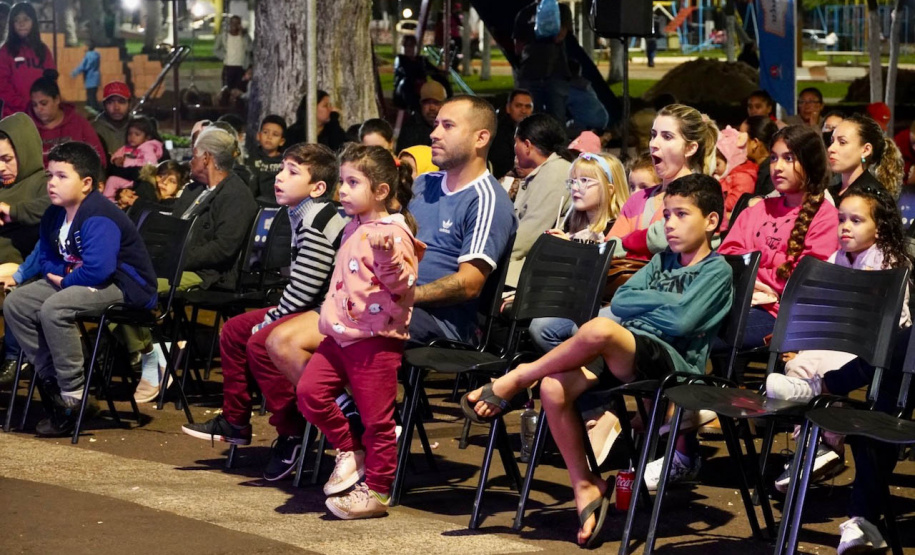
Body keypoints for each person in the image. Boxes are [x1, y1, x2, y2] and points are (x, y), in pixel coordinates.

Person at [462, 174, 733, 547]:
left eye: (681, 214)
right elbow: (623, 300)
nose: (669, 223)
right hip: (629, 352)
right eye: (666, 214)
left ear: (712, 221)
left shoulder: (715, 271)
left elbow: (683, 321)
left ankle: (519, 375)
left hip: (673, 367)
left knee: (600, 329)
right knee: (554, 387)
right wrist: (663, 304)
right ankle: (586, 485)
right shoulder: (660, 262)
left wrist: (655, 306)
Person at [265, 96, 516, 382]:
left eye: (447, 126)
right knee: (278, 341)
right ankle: (352, 419)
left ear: (480, 138)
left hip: (437, 320)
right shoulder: (424, 184)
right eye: (435, 125)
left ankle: (360, 422)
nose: (434, 134)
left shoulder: (486, 200)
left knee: (287, 342)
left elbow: (470, 284)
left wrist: (403, 296)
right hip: (380, 299)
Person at [181, 143, 347, 481]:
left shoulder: (316, 218)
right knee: (235, 329)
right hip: (312, 305)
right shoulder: (299, 212)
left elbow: (305, 291)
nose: (280, 178)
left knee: (259, 342)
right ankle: (236, 422)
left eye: (292, 172)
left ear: (317, 188)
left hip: (328, 310)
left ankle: (292, 432)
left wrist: (270, 322)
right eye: (282, 168)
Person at [297, 143, 424, 520]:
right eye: (342, 181)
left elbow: (404, 284)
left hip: (374, 343)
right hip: (339, 337)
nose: (343, 190)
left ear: (381, 191)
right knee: (309, 393)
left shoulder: (392, 234)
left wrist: (386, 258)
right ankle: (351, 449)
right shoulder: (355, 224)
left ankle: (379, 492)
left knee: (377, 421)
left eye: (353, 182)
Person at [3, 142, 157, 437]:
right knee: (18, 303)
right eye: (50, 176)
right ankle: (53, 384)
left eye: (62, 176)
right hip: (80, 280)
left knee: (55, 308)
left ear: (86, 183)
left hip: (124, 286)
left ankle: (74, 397)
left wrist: (65, 281)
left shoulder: (99, 214)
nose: (52, 184)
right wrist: (63, 276)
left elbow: (100, 269)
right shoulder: (54, 213)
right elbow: (47, 257)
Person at [766, 183, 912, 491]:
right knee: (798, 367)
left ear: (880, 228)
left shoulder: (885, 260)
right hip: (838, 339)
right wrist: (803, 345)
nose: (845, 227)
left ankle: (828, 443)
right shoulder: (837, 256)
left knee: (821, 373)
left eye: (856, 221)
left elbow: (874, 320)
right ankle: (814, 445)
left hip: (874, 347)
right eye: (842, 219)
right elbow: (825, 311)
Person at [717, 124, 839, 354]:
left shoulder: (825, 218)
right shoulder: (758, 209)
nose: (777, 167)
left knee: (702, 334)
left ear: (811, 163)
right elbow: (728, 259)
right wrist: (767, 270)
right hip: (736, 302)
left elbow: (802, 282)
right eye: (773, 158)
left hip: (780, 316)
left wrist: (754, 267)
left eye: (788, 158)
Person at [608, 103, 718, 260]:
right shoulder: (638, 199)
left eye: (667, 137)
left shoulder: (703, 193)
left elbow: (662, 239)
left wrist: (627, 244)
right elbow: (610, 247)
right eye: (653, 135)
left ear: (690, 148)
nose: (653, 144)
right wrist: (643, 248)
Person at [168, 126, 257, 291]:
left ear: (206, 158)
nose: (190, 161)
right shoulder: (193, 190)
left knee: (141, 281)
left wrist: (175, 257)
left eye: (194, 156)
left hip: (208, 274)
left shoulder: (236, 196)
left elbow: (223, 249)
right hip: (174, 264)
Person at [506, 112, 573, 285]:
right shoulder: (546, 172)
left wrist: (489, 256)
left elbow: (527, 236)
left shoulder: (555, 173)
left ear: (527, 145)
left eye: (516, 142)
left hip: (530, 276)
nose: (514, 147)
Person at [28, 70, 106, 167]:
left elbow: (99, 160)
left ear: (57, 99)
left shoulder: (79, 123)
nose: (39, 109)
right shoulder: (27, 127)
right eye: (34, 105)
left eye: (44, 103)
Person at [0, 112, 49, 264]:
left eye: (7, 159)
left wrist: (13, 212)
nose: (0, 167)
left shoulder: (45, 183)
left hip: (17, 274)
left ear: (25, 152)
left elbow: (60, 204)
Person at [512, 0, 573, 122]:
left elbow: (559, 36)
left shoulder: (561, 10)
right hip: (530, 73)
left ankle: (555, 141)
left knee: (556, 119)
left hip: (556, 72)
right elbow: (518, 46)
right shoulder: (525, 13)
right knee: (530, 119)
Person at [827, 113, 904, 203]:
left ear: (866, 150)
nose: (831, 149)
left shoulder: (873, 198)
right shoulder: (829, 192)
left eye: (842, 142)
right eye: (832, 141)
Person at [0, 2, 55, 118]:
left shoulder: (43, 50)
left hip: (41, 114)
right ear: (11, 24)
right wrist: (23, 104)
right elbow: (2, 84)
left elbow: (50, 80)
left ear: (33, 22)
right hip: (14, 114)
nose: (21, 23)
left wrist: (42, 104)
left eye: (26, 19)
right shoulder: (5, 51)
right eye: (16, 20)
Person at [102, 116, 163, 201]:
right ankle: (108, 202)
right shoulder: (127, 148)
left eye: (137, 134)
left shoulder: (147, 147)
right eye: (130, 134)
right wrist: (115, 160)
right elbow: (116, 155)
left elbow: (150, 164)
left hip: (140, 181)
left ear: (147, 137)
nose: (132, 137)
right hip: (128, 179)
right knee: (112, 180)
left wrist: (127, 162)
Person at [713, 125, 758, 228]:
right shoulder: (724, 176)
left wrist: (718, 202)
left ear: (730, 161)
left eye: (717, 164)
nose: (714, 168)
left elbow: (737, 200)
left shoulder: (743, 176)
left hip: (735, 222)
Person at [490, 89, 534, 180]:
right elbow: (501, 163)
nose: (523, 110)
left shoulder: (536, 129)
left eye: (528, 106)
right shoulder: (498, 131)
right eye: (518, 106)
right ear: (508, 108)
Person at [395, 81, 447, 153]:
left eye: (436, 102)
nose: (432, 108)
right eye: (427, 103)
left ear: (444, 105)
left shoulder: (450, 127)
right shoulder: (410, 128)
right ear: (421, 105)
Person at [246, 114, 286, 202]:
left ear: (282, 141)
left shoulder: (285, 162)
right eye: (265, 132)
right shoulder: (249, 158)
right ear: (258, 135)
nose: (269, 137)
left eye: (275, 134)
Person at [565, 59, 609, 133]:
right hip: (603, 119)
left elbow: (559, 104)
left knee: (561, 128)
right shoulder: (586, 84)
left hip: (588, 122)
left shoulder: (571, 88)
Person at [92, 81, 131, 161]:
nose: (116, 107)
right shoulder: (94, 130)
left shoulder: (141, 126)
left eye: (121, 102)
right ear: (104, 105)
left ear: (130, 103)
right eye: (110, 102)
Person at [739, 115, 778, 197]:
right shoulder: (761, 169)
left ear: (755, 143)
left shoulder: (770, 174)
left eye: (740, 137)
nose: (736, 142)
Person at [213, 15, 252, 93]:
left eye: (237, 23)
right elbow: (215, 49)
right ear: (230, 24)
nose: (235, 25)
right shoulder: (224, 36)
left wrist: (243, 36)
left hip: (241, 67)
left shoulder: (245, 37)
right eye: (233, 23)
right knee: (227, 90)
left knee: (240, 90)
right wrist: (224, 56)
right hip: (228, 66)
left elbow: (250, 48)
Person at [71, 40, 100, 112]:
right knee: (91, 93)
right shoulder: (97, 54)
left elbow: (84, 66)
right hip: (95, 78)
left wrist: (75, 72)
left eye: (84, 46)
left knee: (91, 95)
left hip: (90, 78)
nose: (83, 47)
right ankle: (89, 105)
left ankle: (95, 109)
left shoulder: (88, 55)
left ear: (87, 47)